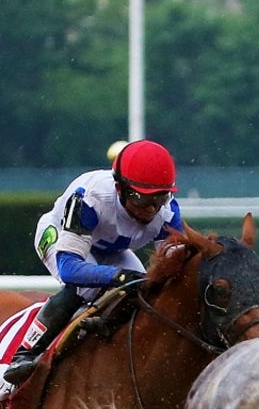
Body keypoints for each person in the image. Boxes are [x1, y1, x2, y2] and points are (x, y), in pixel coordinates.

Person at [4, 139, 183, 385]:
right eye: (141, 199)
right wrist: (116, 276)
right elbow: (69, 269)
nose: (152, 209)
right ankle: (24, 355)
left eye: (160, 198)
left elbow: (176, 269)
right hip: (60, 239)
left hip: (110, 248)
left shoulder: (169, 212)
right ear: (120, 189)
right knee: (84, 287)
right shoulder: (90, 199)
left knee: (144, 294)